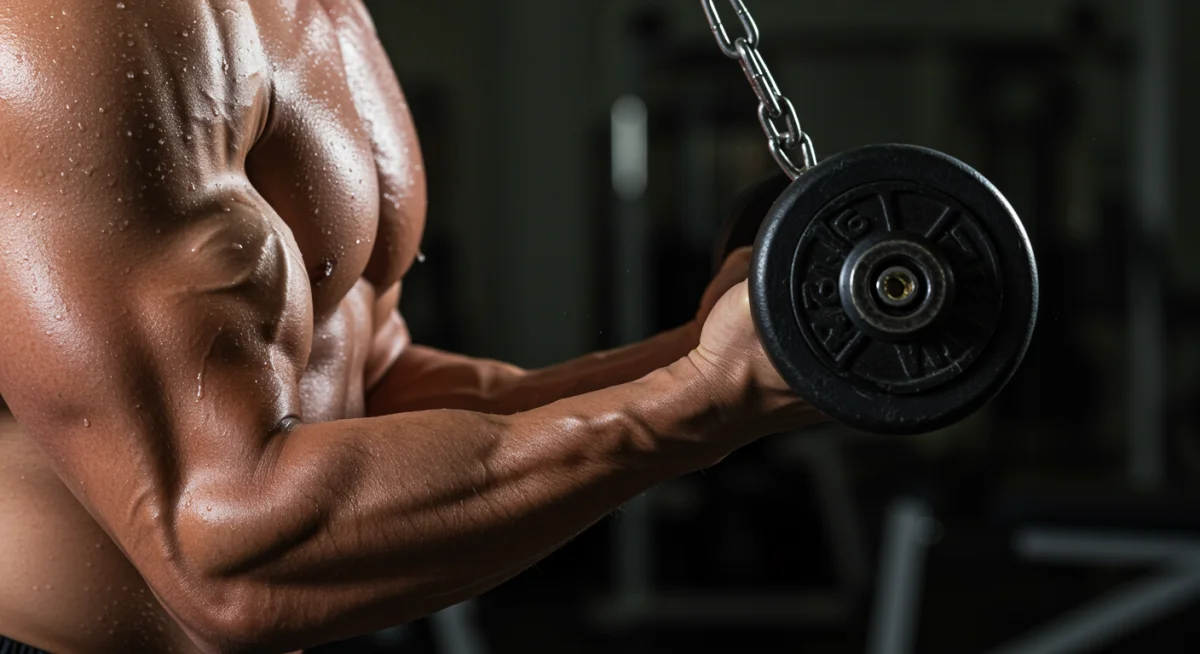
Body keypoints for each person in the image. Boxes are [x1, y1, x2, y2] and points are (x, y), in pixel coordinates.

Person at [0, 1, 823, 652]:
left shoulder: (330, 16)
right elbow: (224, 552)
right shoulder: (75, 25)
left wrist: (713, 351)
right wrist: (700, 400)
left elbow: (374, 390)